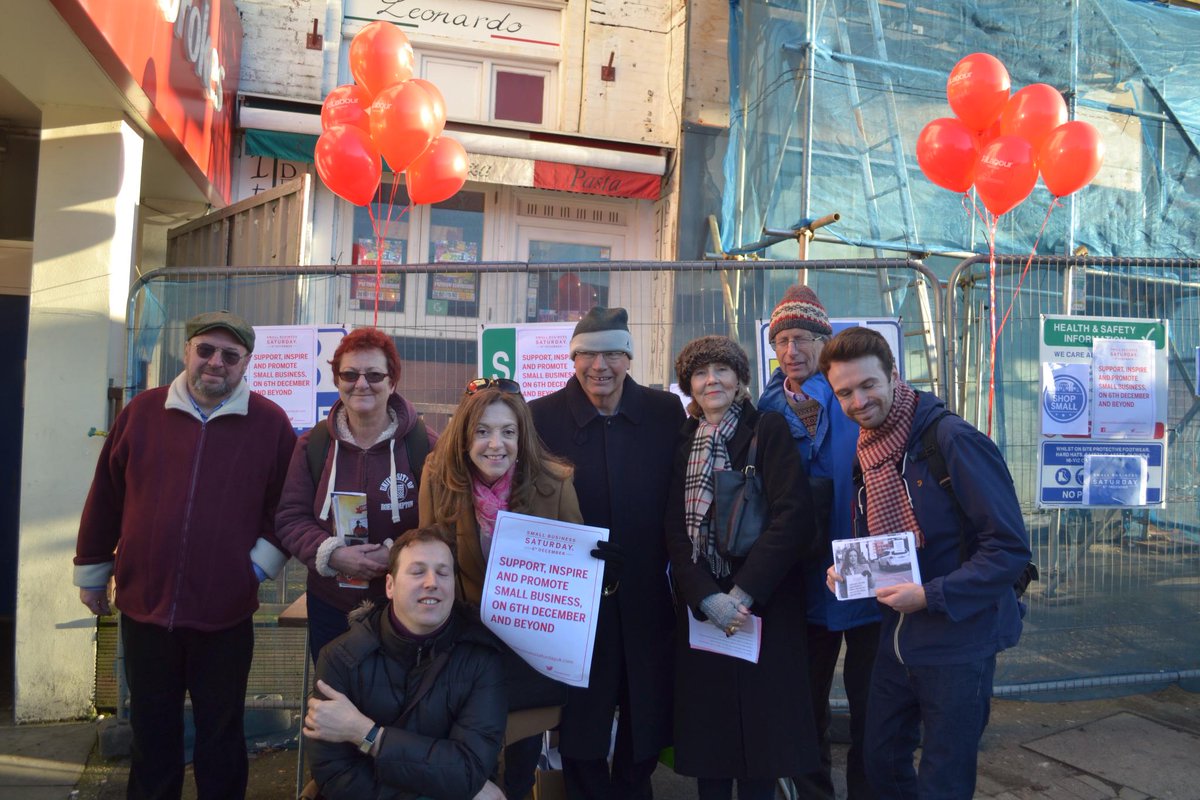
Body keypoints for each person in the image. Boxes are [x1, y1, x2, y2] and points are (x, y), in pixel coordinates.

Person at [74, 310, 296, 799]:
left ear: (245, 364)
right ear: (187, 351)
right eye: (206, 350)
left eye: (230, 355)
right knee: (153, 738)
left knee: (221, 737)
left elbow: (287, 507)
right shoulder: (141, 413)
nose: (216, 363)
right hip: (145, 609)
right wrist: (93, 571)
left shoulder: (270, 424)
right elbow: (106, 496)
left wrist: (255, 568)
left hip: (224, 615)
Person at [820, 327, 1031, 800]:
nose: (858, 401)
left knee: (944, 777)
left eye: (868, 384)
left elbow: (1009, 547)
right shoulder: (868, 451)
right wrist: (851, 572)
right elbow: (884, 542)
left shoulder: (951, 439)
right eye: (845, 392)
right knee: (880, 760)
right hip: (895, 642)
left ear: (894, 375)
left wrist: (931, 595)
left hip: (959, 642)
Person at [528, 307, 684, 800]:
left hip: (646, 586)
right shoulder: (541, 416)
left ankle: (635, 789)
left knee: (645, 701)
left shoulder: (664, 412)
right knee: (583, 709)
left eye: (613, 353)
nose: (601, 365)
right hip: (573, 595)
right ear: (572, 359)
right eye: (588, 354)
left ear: (629, 358)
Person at [664, 335, 821, 800]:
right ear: (689, 385)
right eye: (700, 373)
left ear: (740, 379)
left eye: (722, 370)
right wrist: (704, 595)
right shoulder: (685, 439)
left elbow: (794, 516)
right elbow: (673, 527)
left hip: (761, 606)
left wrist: (744, 592)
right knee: (710, 738)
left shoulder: (766, 429)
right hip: (706, 607)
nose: (711, 380)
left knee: (760, 741)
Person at [419, 377, 582, 799]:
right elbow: (429, 554)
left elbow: (574, 572)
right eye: (483, 431)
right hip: (465, 648)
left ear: (522, 435)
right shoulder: (438, 476)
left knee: (521, 764)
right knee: (474, 768)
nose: (496, 444)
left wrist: (594, 565)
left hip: (528, 652)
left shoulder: (555, 483)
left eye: (508, 432)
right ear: (464, 435)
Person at [757, 284, 880, 799]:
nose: (792, 351)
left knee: (872, 701)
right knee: (805, 704)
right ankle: (813, 793)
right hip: (801, 574)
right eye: (782, 340)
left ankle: (870, 790)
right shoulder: (763, 408)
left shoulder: (853, 397)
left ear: (823, 344)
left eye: (803, 338)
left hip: (862, 561)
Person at [304, 525, 508, 800]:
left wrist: (368, 735)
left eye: (443, 572)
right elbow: (335, 776)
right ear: (390, 585)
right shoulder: (340, 658)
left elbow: (469, 770)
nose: (432, 582)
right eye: (417, 571)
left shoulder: (481, 659)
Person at [277, 327, 437, 661]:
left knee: (401, 706)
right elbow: (291, 518)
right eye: (349, 374)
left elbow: (441, 523)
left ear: (392, 382)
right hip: (330, 605)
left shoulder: (425, 446)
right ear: (337, 380)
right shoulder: (313, 446)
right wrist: (331, 554)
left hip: (402, 604)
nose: (361, 384)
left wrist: (396, 556)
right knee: (333, 700)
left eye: (374, 374)